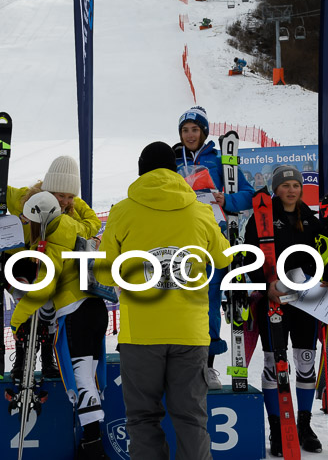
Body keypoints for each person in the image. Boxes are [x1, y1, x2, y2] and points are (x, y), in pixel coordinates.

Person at [95, 142, 232, 460]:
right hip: (190, 332)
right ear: (174, 170)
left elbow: (103, 274)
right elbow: (223, 256)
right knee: (191, 419)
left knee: (142, 419)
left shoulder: (122, 210)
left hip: (140, 333)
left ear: (141, 169)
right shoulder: (199, 209)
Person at [243, 165, 328, 456]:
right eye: (285, 185)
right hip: (275, 301)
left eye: (295, 185)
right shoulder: (262, 218)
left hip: (305, 301)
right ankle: (277, 427)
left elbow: (324, 244)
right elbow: (248, 257)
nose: (291, 190)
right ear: (275, 188)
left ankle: (303, 424)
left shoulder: (308, 217)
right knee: (274, 365)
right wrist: (265, 287)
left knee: (306, 362)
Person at [0, 155, 101, 380]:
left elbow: (93, 223)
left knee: (48, 310)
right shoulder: (22, 196)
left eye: (69, 197)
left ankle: (47, 358)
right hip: (17, 260)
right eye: (60, 195)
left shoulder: (73, 204)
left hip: (49, 261)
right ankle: (23, 359)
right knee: (28, 302)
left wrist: (70, 227)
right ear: (48, 189)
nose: (64, 201)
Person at [10, 191, 109, 459]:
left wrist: (16, 321)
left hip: (76, 313)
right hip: (95, 308)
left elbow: (44, 289)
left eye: (27, 219)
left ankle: (93, 446)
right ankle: (91, 440)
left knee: (81, 378)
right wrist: (75, 199)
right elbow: (92, 222)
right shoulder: (71, 224)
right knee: (90, 376)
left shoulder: (51, 244)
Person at [173, 106, 254, 389]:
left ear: (204, 132)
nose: (190, 134)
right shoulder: (172, 160)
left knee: (208, 303)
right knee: (178, 303)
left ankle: (207, 367)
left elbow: (248, 195)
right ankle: (182, 365)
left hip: (212, 240)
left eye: (195, 129)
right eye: (185, 130)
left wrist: (224, 199)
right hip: (180, 240)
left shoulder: (221, 162)